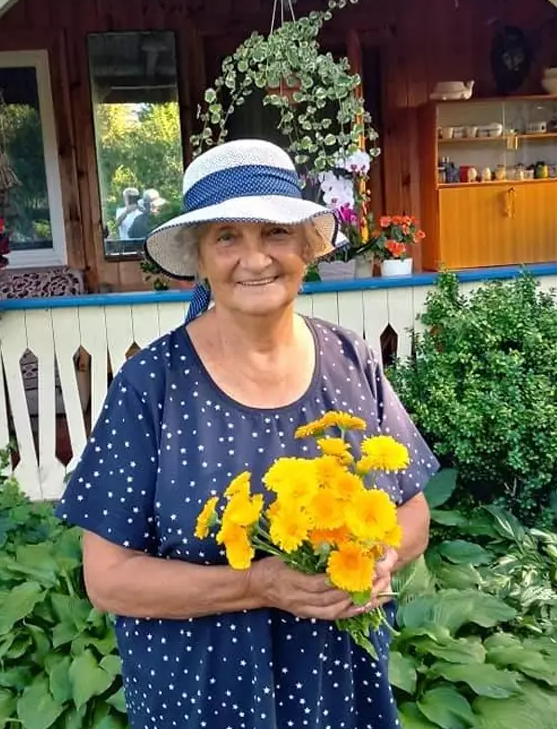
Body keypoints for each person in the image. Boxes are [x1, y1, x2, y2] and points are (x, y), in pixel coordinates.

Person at [56, 139, 439, 729]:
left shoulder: (350, 359)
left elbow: (413, 510)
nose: (255, 259)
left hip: (337, 691)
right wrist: (259, 585)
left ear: (307, 247)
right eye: (227, 237)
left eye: (275, 232)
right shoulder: (151, 384)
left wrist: (379, 558)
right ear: (201, 258)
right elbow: (108, 581)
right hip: (202, 697)